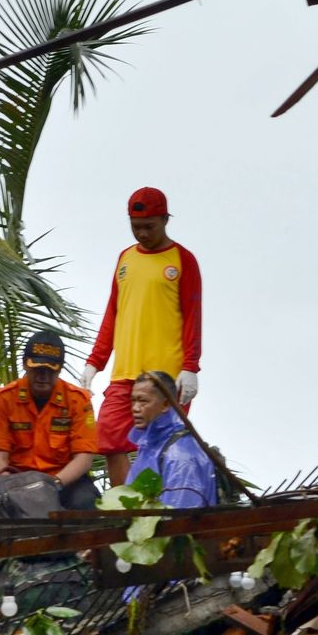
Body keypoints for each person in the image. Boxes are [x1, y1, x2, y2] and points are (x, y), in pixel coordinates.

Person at [78, 187, 202, 486]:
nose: (143, 233)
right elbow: (113, 312)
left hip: (166, 376)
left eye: (149, 226)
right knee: (109, 436)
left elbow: (193, 317)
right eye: (136, 227)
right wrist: (95, 362)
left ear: (164, 219)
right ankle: (125, 509)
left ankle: (162, 509)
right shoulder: (125, 258)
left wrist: (190, 367)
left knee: (163, 443)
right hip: (125, 372)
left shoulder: (182, 260)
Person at [0, 330, 99, 509]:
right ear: (25, 364)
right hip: (17, 481)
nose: (43, 376)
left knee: (85, 502)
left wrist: (54, 485)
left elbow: (84, 458)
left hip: (64, 481)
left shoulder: (78, 400)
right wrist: (10, 487)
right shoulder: (3, 399)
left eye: (49, 370)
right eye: (37, 369)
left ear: (60, 368)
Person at [127, 370, 218, 508]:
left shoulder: (181, 455)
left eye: (143, 401)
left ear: (166, 405)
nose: (135, 408)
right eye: (133, 401)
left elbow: (181, 520)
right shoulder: (149, 446)